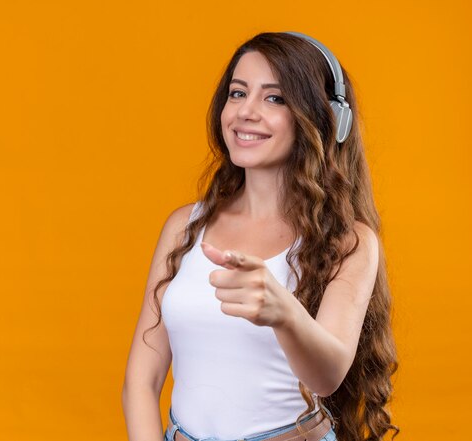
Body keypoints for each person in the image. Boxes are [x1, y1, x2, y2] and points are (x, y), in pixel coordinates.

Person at [122, 31, 399, 441]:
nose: (246, 112)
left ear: (325, 119)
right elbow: (140, 383)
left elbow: (328, 377)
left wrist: (283, 312)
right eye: (237, 93)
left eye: (274, 98)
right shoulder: (184, 227)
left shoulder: (351, 243)